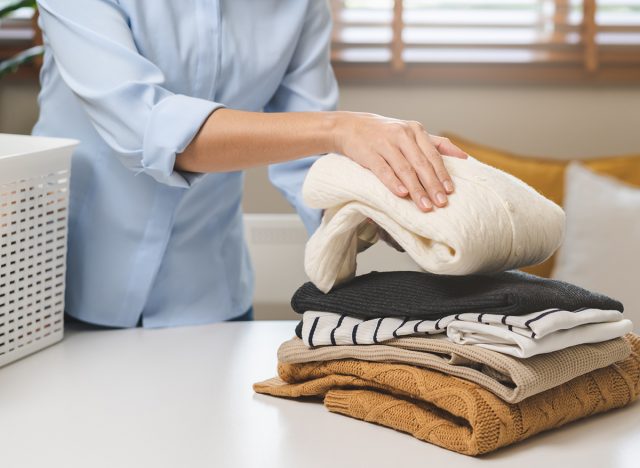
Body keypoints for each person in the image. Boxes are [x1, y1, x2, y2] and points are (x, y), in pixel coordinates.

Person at [33, 0, 468, 328]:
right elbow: (149, 130)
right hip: (63, 287)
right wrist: (341, 128)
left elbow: (309, 165)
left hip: (208, 294)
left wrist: (377, 211)